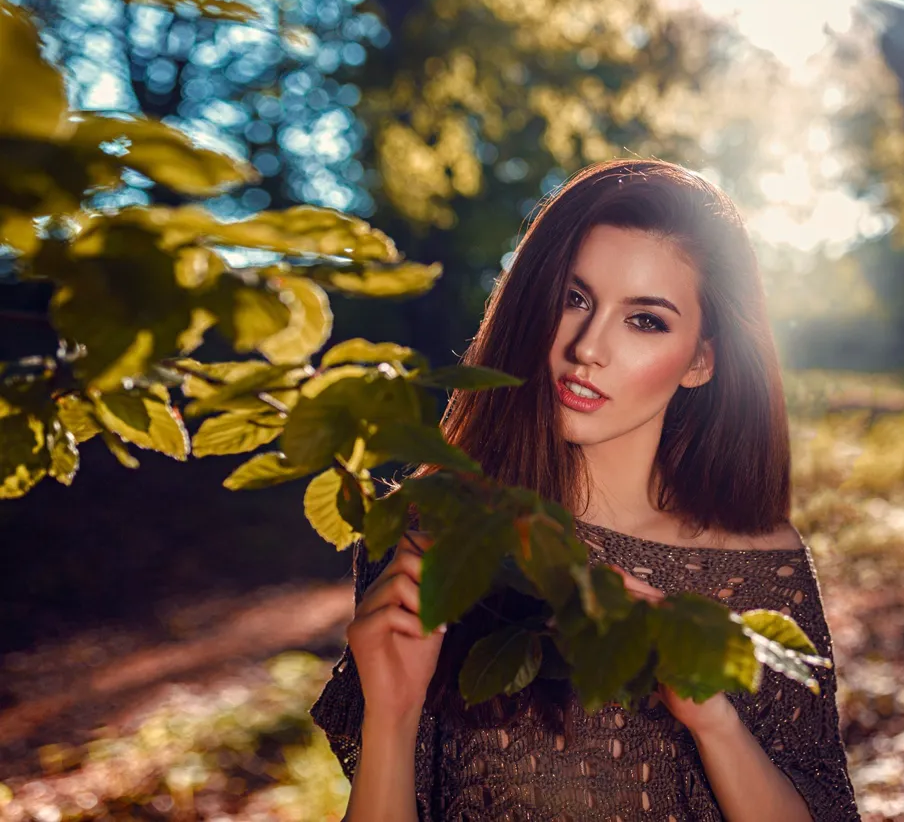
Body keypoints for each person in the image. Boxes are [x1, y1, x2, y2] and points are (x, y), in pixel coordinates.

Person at [310, 159, 861, 821]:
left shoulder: (759, 567)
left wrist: (715, 723)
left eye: (645, 321)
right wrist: (391, 719)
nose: (588, 348)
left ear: (700, 360)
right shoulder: (438, 532)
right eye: (574, 299)